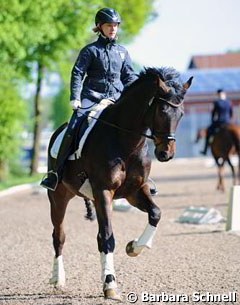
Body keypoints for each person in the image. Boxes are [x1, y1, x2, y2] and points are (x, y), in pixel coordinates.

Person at [40, 7, 138, 191]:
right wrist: (75, 97)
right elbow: (77, 73)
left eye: (116, 25)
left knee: (135, 129)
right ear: (99, 27)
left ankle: (140, 176)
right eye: (109, 25)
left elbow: (129, 77)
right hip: (92, 99)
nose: (113, 29)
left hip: (116, 99)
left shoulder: (123, 52)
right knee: (73, 127)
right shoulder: (90, 50)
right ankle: (56, 173)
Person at [200, 89, 233, 155]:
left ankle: (205, 150)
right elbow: (231, 113)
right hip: (228, 122)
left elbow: (213, 113)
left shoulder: (217, 102)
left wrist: (213, 121)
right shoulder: (229, 102)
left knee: (209, 131)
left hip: (219, 122)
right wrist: (229, 120)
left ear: (218, 95)